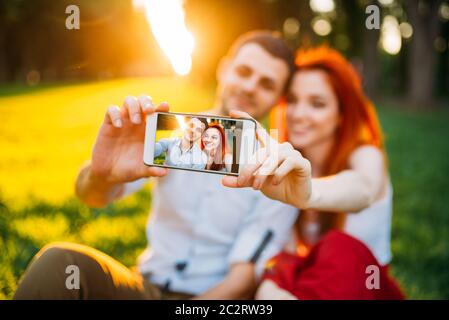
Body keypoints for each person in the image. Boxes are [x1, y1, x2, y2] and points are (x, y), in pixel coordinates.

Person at [14, 30, 298, 300]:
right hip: (145, 287)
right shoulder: (173, 138)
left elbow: (243, 279)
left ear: (279, 99)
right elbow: (90, 195)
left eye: (267, 84)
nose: (250, 87)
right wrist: (101, 174)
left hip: (213, 299)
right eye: (244, 72)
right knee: (59, 261)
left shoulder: (277, 171)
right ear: (223, 69)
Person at [223, 46, 405, 300]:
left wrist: (308, 193)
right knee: (272, 281)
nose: (298, 114)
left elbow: (364, 188)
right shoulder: (283, 164)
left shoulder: (365, 155)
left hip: (361, 285)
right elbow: (282, 257)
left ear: (341, 114)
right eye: (293, 101)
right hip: (308, 285)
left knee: (338, 247)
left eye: (317, 104)